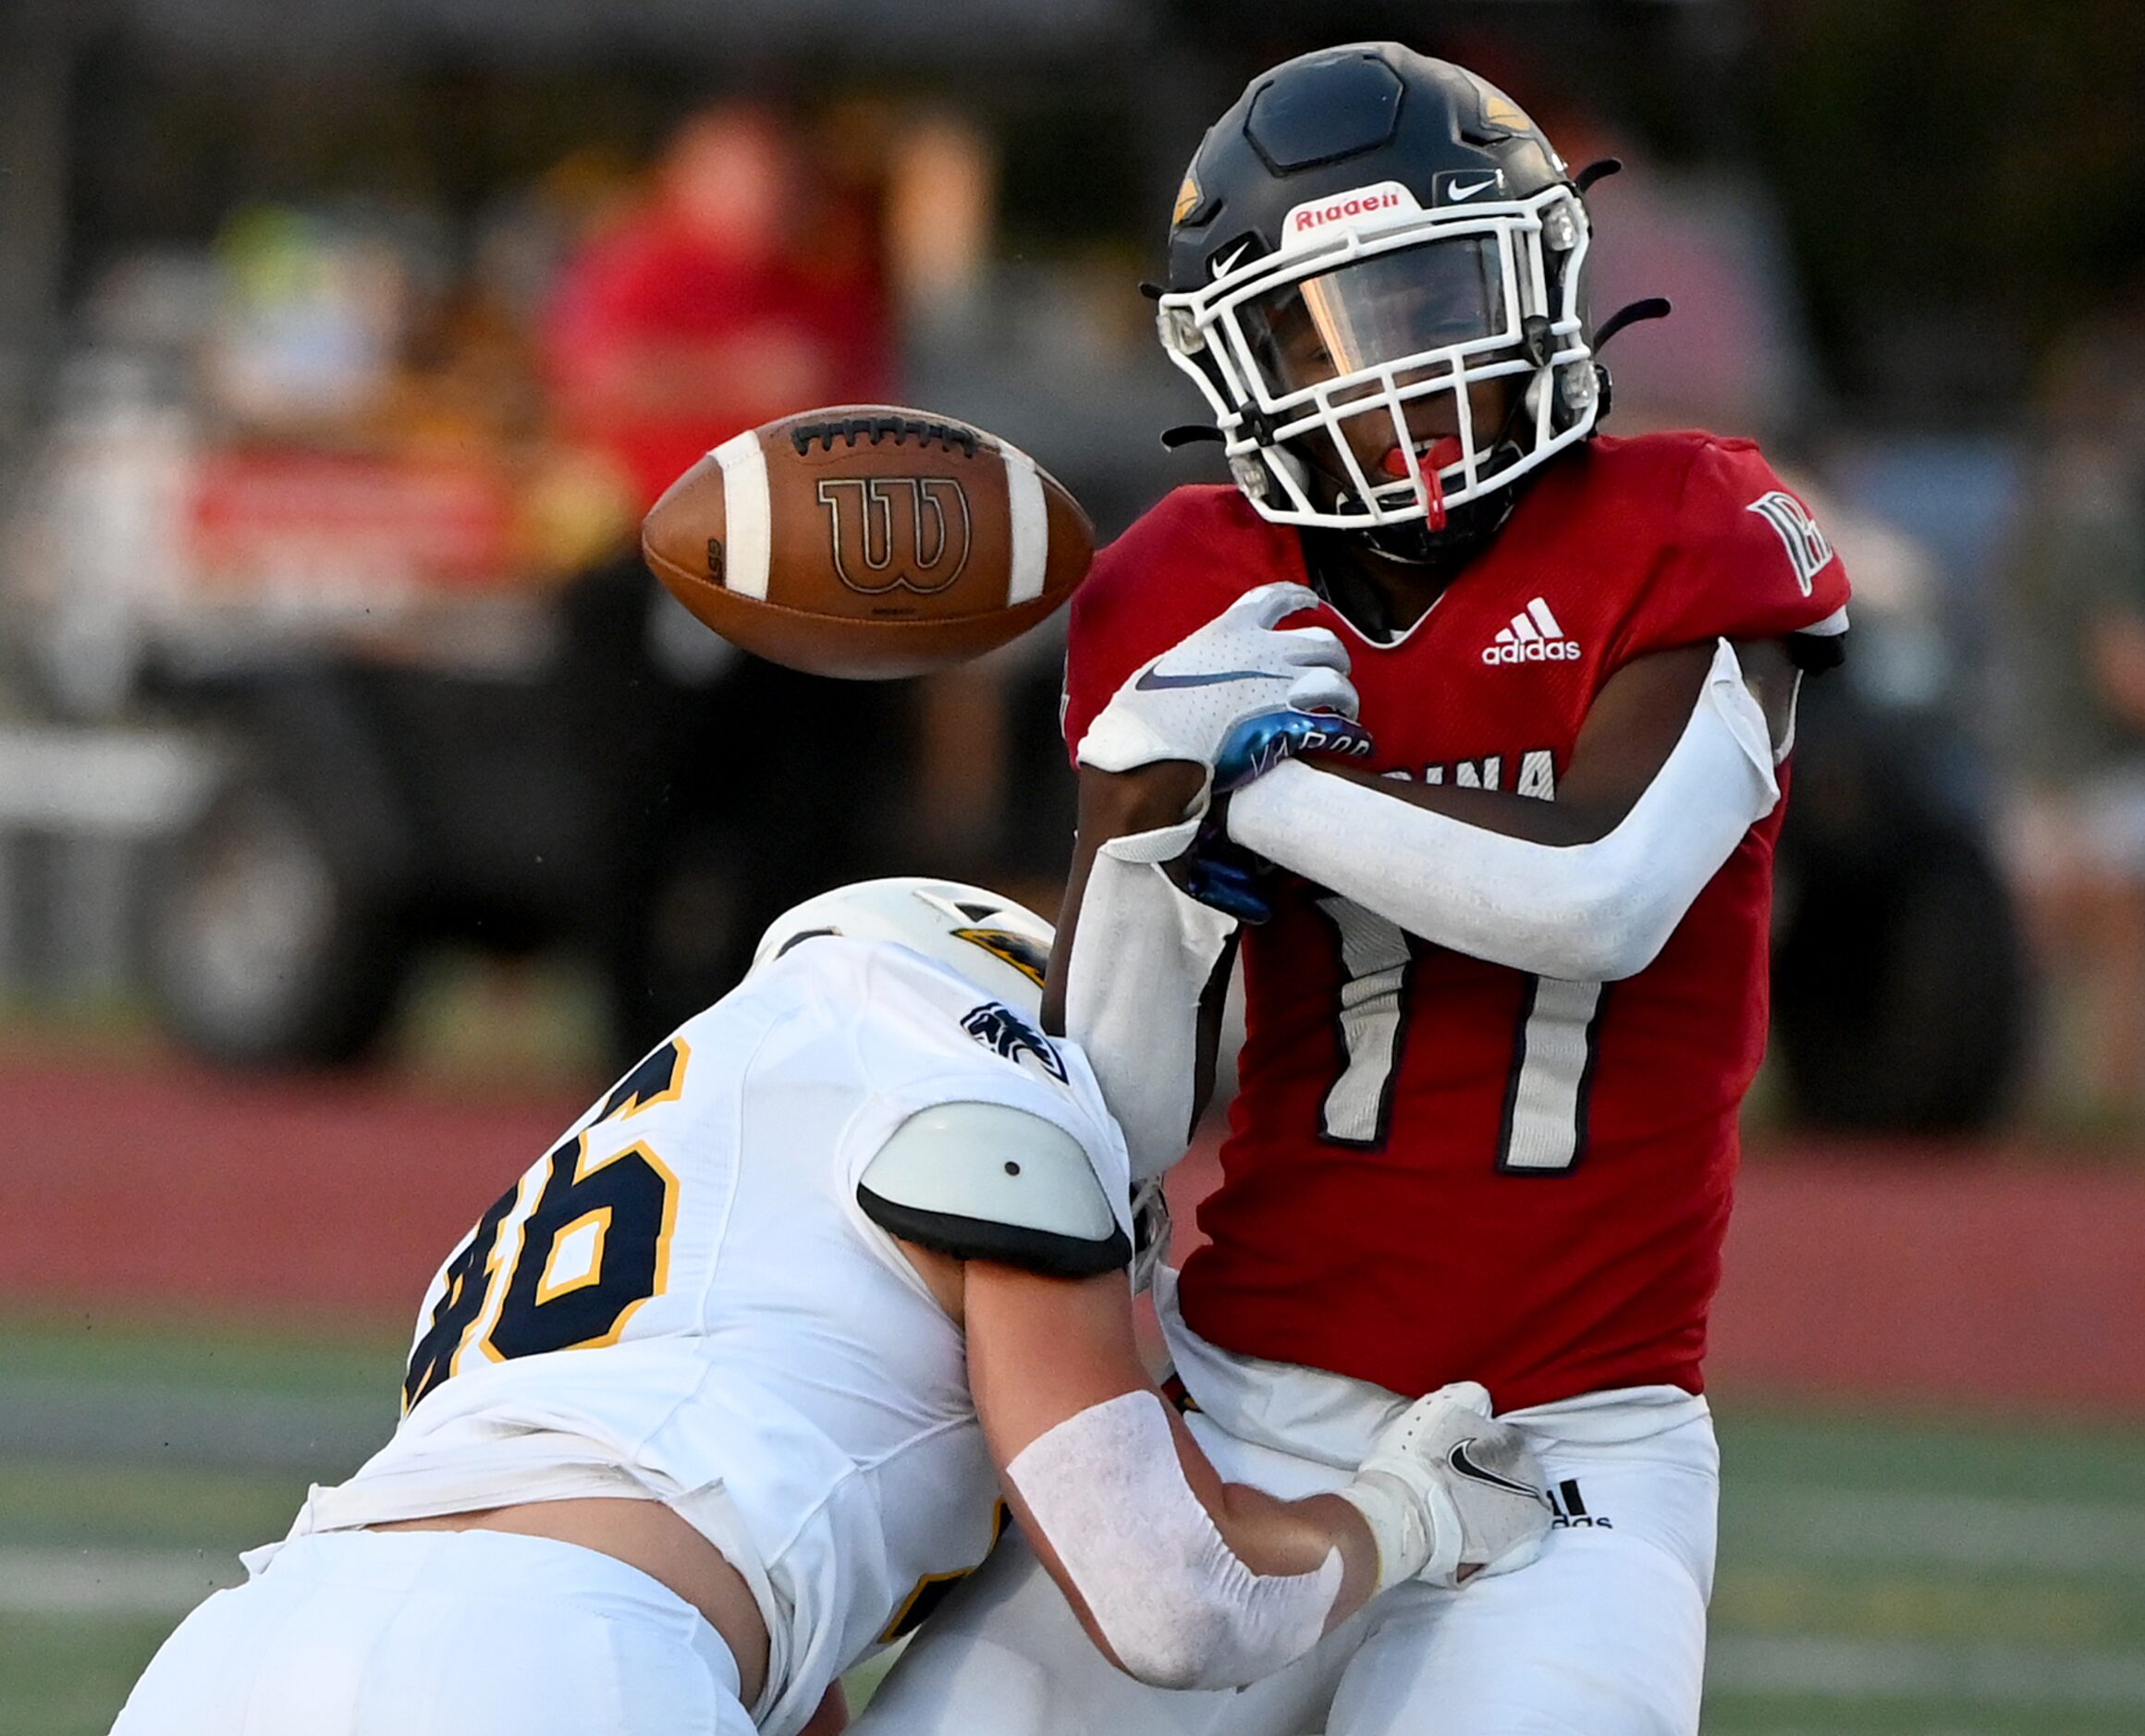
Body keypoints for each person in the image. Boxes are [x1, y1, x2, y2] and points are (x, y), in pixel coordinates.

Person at [854, 43, 1850, 1736]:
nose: (1411, 376)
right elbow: (1123, 1098)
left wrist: (1246, 777)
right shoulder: (1184, 582)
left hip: (1574, 1454)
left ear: (1544, 279)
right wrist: (1139, 823)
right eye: (1342, 325)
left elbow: (1601, 896)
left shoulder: (1691, 526)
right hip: (1246, 1397)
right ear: (1238, 363)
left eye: (1444, 296)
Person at [109, 876, 1553, 1736]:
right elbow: (1175, 1596)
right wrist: (1403, 1520)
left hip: (233, 1654)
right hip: (567, 1664)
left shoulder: (622, 1187)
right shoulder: (987, 1073)